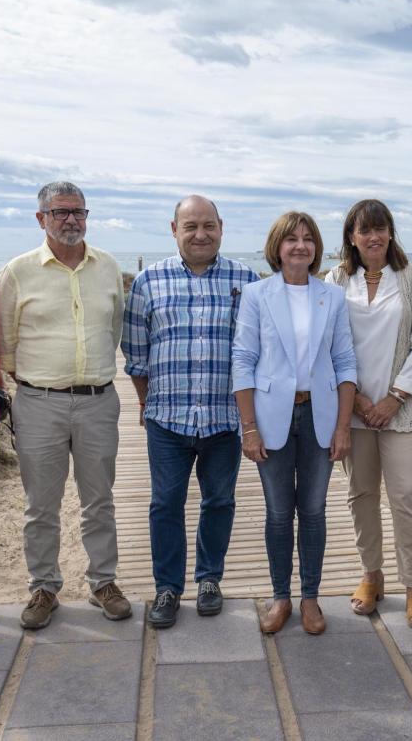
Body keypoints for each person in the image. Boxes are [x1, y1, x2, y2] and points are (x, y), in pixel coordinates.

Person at [0, 181, 130, 629]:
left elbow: (114, 329)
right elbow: (4, 342)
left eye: (78, 212)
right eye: (60, 212)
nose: (71, 220)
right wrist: (34, 382)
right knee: (41, 505)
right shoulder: (18, 272)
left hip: (98, 401)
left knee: (99, 500)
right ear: (41, 219)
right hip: (39, 402)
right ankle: (44, 587)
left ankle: (103, 582)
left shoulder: (107, 267)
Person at [123, 195, 258, 629]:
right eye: (190, 226)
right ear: (174, 229)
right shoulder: (148, 281)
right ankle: (167, 587)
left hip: (224, 418)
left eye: (208, 226)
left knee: (219, 502)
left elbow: (256, 349)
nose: (201, 234)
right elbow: (136, 354)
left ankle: (209, 580)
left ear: (221, 227)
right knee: (165, 504)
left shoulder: (246, 280)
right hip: (168, 419)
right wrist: (146, 402)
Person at [232, 211, 357, 635]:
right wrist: (249, 427)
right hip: (272, 418)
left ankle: (310, 598)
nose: (300, 246)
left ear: (316, 247)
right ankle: (281, 596)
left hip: (320, 415)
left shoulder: (332, 296)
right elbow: (243, 361)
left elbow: (345, 362)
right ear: (278, 247)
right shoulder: (257, 295)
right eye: (291, 239)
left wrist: (343, 427)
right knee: (279, 512)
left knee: (315, 511)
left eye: (308, 238)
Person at [325, 200, 412, 629]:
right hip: (353, 408)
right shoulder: (336, 280)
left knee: (406, 494)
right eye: (364, 230)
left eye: (380, 228)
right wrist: (357, 400)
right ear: (351, 237)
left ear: (390, 233)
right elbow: (327, 342)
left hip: (402, 408)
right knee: (361, 494)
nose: (373, 237)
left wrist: (395, 397)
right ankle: (371, 574)